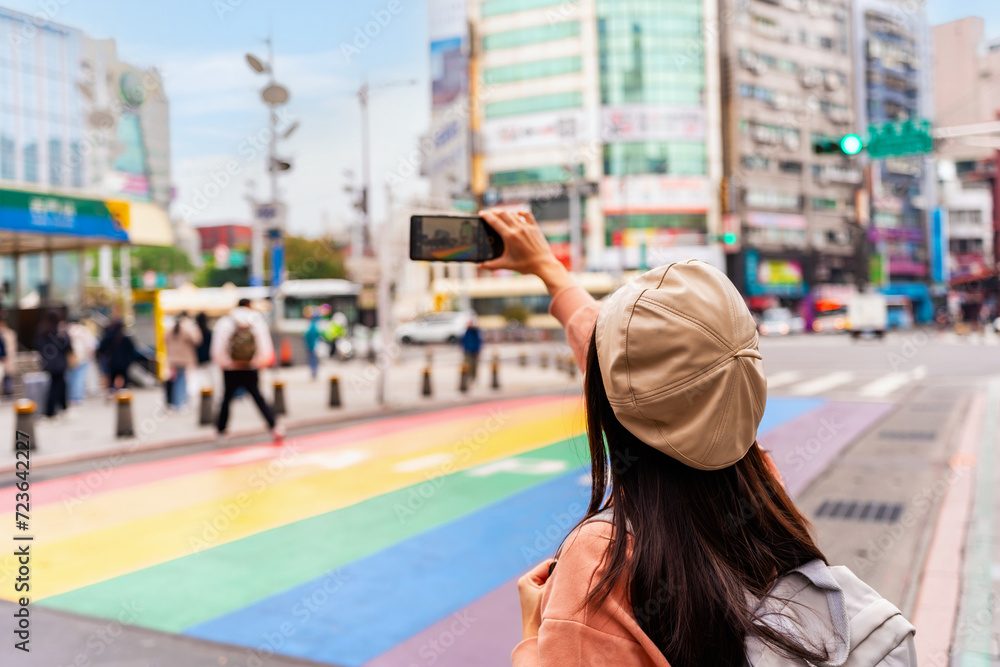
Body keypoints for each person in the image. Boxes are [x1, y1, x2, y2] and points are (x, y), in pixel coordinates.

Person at [476, 209, 915, 667]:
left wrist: (533, 633)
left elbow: (633, 376)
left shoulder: (598, 565)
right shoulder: (763, 488)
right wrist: (549, 270)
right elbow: (650, 381)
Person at [211, 298, 283, 440]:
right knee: (258, 397)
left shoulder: (225, 322)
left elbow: (217, 349)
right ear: (249, 305)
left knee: (226, 399)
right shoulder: (256, 321)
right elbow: (265, 347)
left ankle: (221, 431)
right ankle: (274, 427)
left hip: (230, 369)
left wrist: (223, 363)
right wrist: (259, 363)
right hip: (250, 367)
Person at [34, 310, 71, 418]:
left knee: (60, 385)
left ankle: (62, 408)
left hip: (48, 363)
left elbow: (37, 345)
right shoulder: (59, 330)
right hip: (59, 363)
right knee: (56, 386)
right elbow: (67, 346)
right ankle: (51, 411)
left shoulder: (43, 330)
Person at [164, 311, 202, 409]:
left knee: (177, 380)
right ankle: (181, 402)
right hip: (184, 359)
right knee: (182, 381)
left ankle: (176, 402)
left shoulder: (170, 328)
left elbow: (165, 341)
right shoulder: (187, 328)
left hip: (173, 359)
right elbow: (197, 340)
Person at [98, 319, 137, 393]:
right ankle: (123, 394)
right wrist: (130, 361)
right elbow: (132, 350)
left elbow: (101, 349)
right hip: (124, 363)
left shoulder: (108, 337)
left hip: (112, 363)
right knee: (124, 379)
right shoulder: (126, 338)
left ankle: (114, 392)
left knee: (113, 379)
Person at [66, 317, 97, 405]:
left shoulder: (66, 330)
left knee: (70, 378)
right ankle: (78, 397)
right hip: (82, 357)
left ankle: (70, 397)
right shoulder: (83, 330)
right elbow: (91, 344)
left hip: (69, 358)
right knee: (79, 378)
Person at [304, 313, 321, 380]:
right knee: (313, 359)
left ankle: (314, 372)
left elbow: (309, 336)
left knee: (312, 359)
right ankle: (314, 372)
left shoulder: (312, 326)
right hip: (312, 345)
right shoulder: (314, 325)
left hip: (312, 346)